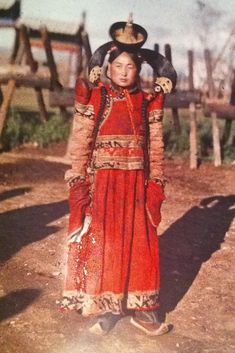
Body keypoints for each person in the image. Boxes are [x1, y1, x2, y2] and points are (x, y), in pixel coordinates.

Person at [61, 16, 177, 336]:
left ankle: (144, 311)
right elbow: (82, 143)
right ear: (108, 69)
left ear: (138, 71)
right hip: (105, 187)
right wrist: (79, 181)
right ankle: (107, 309)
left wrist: (156, 184)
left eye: (131, 67)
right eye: (118, 66)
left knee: (142, 244)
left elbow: (156, 147)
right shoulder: (96, 97)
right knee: (108, 246)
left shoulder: (147, 102)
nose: (124, 72)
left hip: (137, 186)